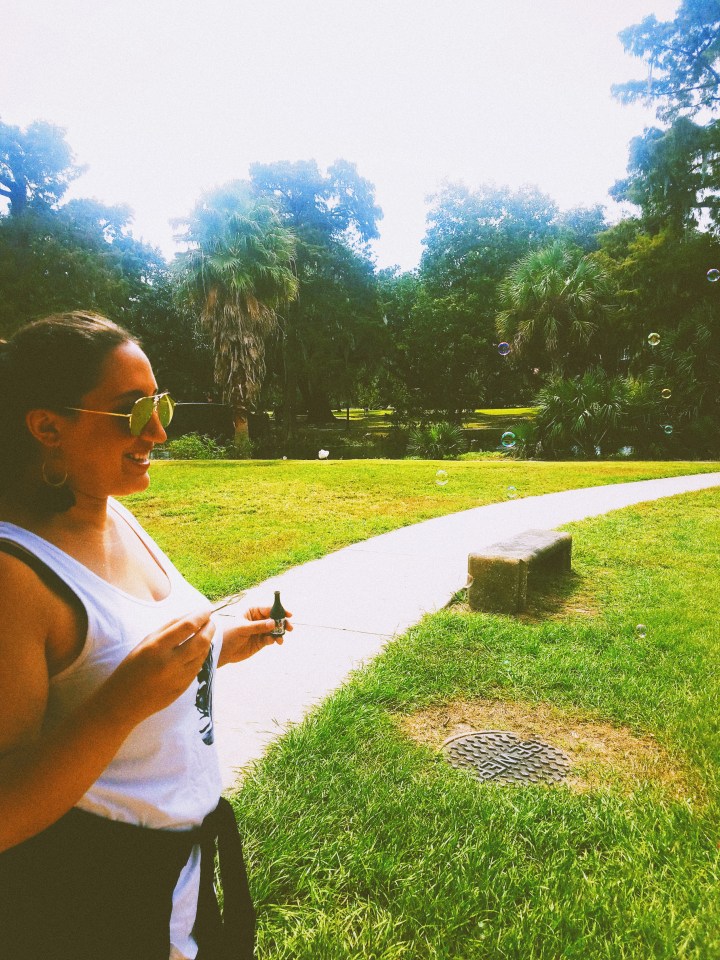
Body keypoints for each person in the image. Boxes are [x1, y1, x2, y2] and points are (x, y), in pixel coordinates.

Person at [0, 312, 292, 960]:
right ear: (47, 426)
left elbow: (116, 650)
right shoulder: (12, 577)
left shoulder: (115, 512)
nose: (159, 429)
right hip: (96, 898)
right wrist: (124, 701)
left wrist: (219, 642)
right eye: (131, 412)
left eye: (159, 403)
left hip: (181, 874)